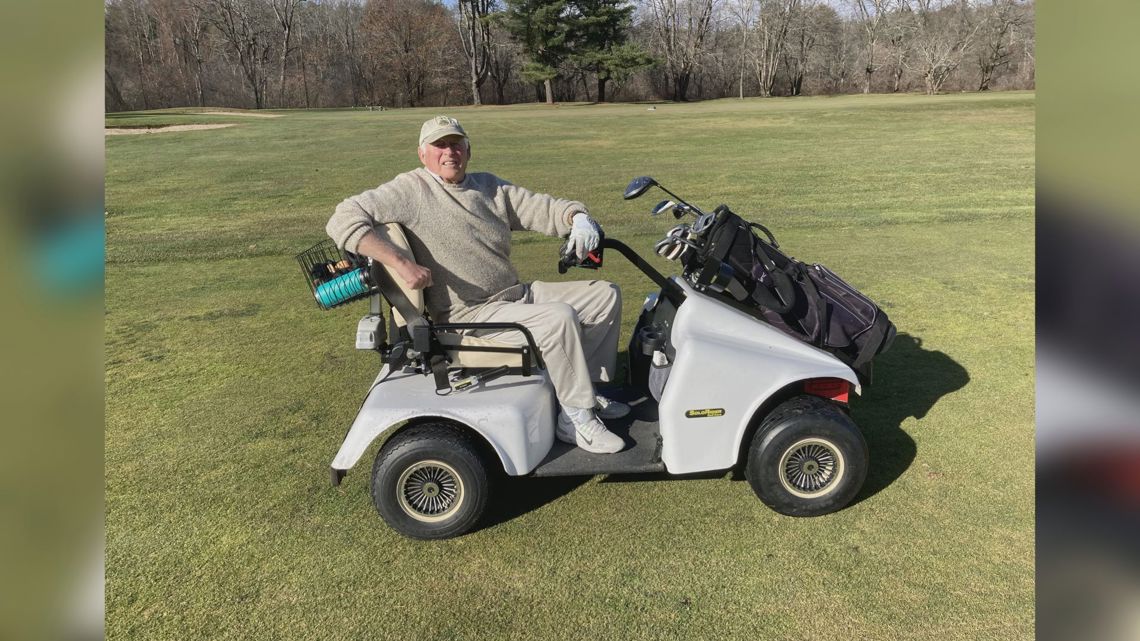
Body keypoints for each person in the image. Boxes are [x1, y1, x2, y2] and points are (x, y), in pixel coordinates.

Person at [326, 115, 629, 454]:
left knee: (603, 295)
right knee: (558, 319)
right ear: (422, 153)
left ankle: (588, 390)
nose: (449, 152)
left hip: (514, 296)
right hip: (469, 314)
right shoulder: (411, 190)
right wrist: (401, 263)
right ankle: (575, 421)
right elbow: (342, 219)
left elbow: (539, 208)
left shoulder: (488, 187)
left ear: (468, 150)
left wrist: (577, 217)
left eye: (456, 144)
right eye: (439, 145)